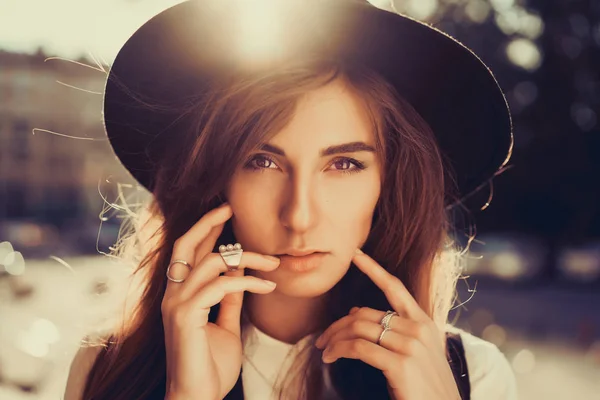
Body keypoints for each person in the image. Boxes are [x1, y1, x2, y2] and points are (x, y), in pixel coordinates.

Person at [63, 0, 517, 399]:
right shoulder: (105, 370)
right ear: (217, 180)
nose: (299, 215)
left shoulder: (474, 377)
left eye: (343, 164)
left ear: (389, 182)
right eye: (261, 161)